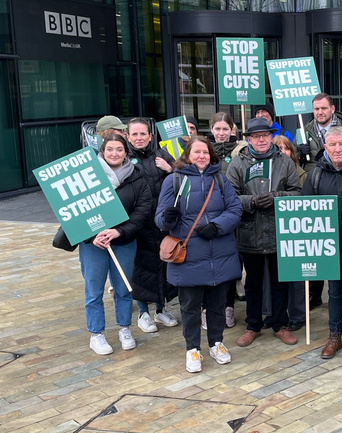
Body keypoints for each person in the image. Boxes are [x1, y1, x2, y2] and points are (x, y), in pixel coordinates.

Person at [155, 136, 242, 373]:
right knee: (190, 307)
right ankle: (192, 349)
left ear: (211, 155)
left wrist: (218, 225)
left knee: (217, 305)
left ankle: (216, 343)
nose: (201, 156)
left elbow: (235, 209)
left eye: (205, 152)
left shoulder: (220, 179)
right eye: (197, 152)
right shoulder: (174, 180)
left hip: (219, 254)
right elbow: (160, 217)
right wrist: (167, 218)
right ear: (188, 155)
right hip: (189, 255)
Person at [227, 117, 302, 346]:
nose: (261, 140)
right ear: (248, 139)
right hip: (250, 232)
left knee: (280, 282)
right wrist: (252, 201)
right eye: (256, 136)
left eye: (265, 135)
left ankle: (280, 324)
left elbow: (297, 192)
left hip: (280, 232)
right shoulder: (238, 164)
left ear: (271, 136)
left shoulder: (284, 162)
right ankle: (253, 325)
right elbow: (229, 198)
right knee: (253, 283)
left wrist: (276, 197)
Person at [82, 133, 151, 355]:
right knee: (94, 290)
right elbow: (74, 212)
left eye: (119, 149)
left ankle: (124, 328)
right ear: (102, 151)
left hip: (124, 241)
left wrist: (119, 231)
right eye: (110, 149)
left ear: (126, 152)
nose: (115, 153)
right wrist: (92, 236)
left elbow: (142, 211)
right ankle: (97, 334)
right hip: (94, 244)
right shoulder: (87, 177)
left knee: (123, 288)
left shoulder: (137, 178)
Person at [301, 126, 342, 359]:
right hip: (331, 246)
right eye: (333, 144)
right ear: (325, 147)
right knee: (336, 293)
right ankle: (334, 335)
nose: (337, 149)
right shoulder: (315, 175)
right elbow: (306, 211)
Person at [126, 117, 179, 334]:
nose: (139, 138)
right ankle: (143, 313)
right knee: (140, 268)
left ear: (150, 136)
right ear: (128, 137)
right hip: (138, 223)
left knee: (162, 264)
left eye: (143, 134)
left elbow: (182, 178)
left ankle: (160, 309)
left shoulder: (161, 154)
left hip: (161, 223)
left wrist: (170, 168)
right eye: (135, 134)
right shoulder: (124, 158)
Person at [204, 111, 241, 328]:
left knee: (228, 263)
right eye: (217, 129)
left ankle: (228, 306)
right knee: (207, 264)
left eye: (225, 129)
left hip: (230, 215)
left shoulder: (241, 150)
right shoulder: (202, 150)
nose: (221, 133)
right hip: (206, 215)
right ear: (211, 130)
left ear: (232, 130)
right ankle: (207, 308)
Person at [270, 134, 309, 332]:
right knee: (274, 276)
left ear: (291, 152)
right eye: (278, 148)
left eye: (285, 148)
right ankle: (274, 313)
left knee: (296, 277)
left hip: (295, 229)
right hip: (272, 229)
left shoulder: (301, 174)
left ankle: (297, 314)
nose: (282, 152)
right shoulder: (267, 172)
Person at [296, 93, 342, 172]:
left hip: (338, 176)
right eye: (316, 109)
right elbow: (292, 161)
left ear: (332, 109)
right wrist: (300, 155)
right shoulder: (303, 133)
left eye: (324, 108)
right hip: (312, 179)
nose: (320, 112)